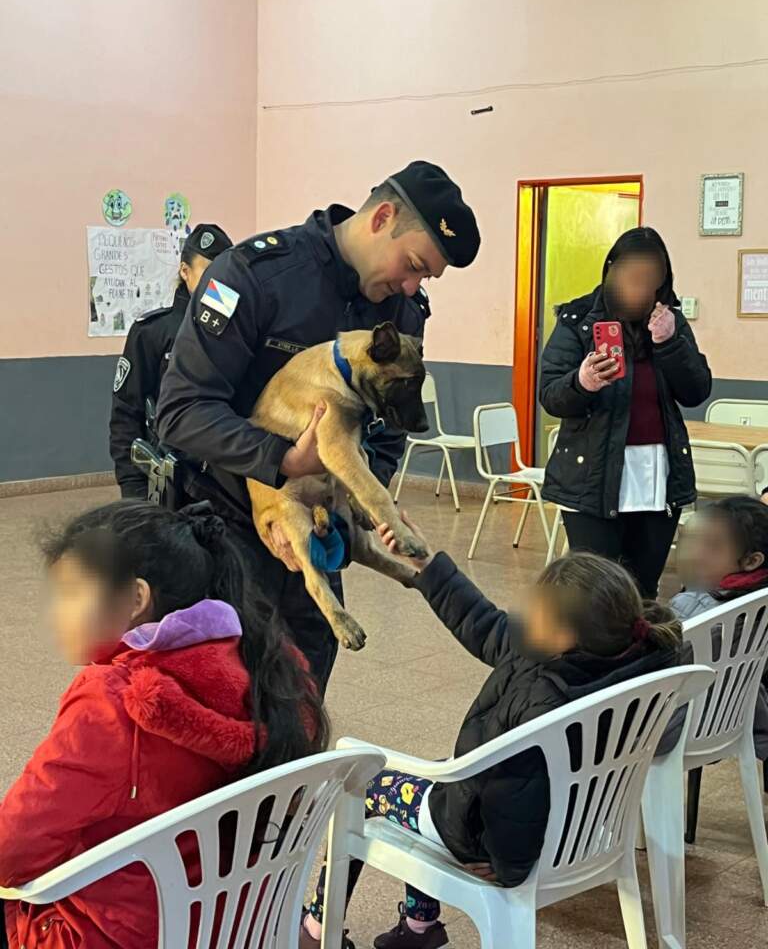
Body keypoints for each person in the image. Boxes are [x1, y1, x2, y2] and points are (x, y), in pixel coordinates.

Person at [156, 162, 481, 693]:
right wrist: (283, 461)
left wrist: (356, 490)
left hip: (321, 528)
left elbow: (387, 426)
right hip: (229, 532)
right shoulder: (253, 276)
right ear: (381, 217)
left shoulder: (401, 311)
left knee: (304, 707)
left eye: (425, 278)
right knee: (225, 711)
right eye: (414, 265)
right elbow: (182, 410)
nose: (412, 284)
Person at [301, 517, 683, 949]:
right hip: (579, 826)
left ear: (561, 636)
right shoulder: (626, 660)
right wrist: (427, 566)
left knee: (366, 785)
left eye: (532, 611)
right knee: (439, 773)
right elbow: (486, 625)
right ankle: (418, 929)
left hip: (491, 837)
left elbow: (518, 791)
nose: (521, 615)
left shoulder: (542, 699)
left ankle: (315, 928)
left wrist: (508, 866)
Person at [0, 500, 327, 949]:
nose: (56, 612)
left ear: (136, 598)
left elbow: (11, 852)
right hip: (236, 925)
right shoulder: (273, 672)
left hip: (116, 932)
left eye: (72, 592)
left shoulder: (113, 699)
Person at [540, 226, 711, 599]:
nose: (640, 289)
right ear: (611, 270)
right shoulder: (578, 320)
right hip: (591, 476)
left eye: (651, 281)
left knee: (643, 590)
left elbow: (697, 391)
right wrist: (581, 381)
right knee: (596, 595)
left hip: (657, 476)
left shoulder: (669, 321)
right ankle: (593, 659)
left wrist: (669, 343)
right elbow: (551, 395)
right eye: (632, 277)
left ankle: (644, 657)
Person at [109, 223, 233, 498]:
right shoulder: (153, 332)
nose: (218, 282)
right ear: (185, 272)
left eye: (225, 272)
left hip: (225, 484)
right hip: (166, 481)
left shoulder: (239, 333)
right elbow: (126, 414)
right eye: (208, 272)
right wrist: (134, 490)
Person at [672, 495, 768, 757]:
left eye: (712, 547)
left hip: (679, 726)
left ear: (751, 561)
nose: (697, 554)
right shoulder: (760, 602)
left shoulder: (695, 606)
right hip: (735, 721)